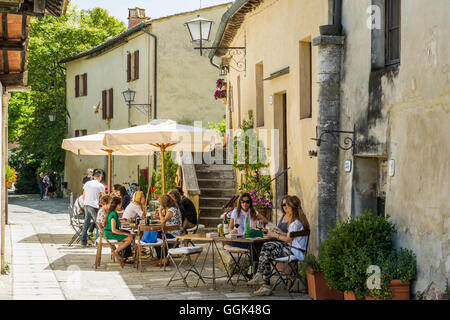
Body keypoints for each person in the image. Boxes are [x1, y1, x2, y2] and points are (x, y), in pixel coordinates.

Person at [248, 195, 310, 296]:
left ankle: (262, 280)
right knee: (267, 249)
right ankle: (263, 281)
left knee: (267, 248)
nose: (285, 208)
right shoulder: (299, 221)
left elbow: (288, 239)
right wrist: (281, 233)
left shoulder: (295, 223)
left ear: (291, 208)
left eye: (287, 206)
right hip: (294, 249)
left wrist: (274, 235)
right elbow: (291, 236)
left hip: (293, 251)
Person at [103, 197, 134, 266]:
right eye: (120, 205)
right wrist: (125, 234)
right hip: (110, 234)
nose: (121, 206)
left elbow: (112, 222)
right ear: (117, 205)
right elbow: (114, 230)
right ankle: (116, 251)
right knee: (130, 237)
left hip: (108, 232)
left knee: (128, 234)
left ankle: (124, 255)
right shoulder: (114, 214)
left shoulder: (111, 213)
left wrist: (120, 220)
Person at [153, 194, 182, 266]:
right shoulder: (172, 208)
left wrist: (160, 210)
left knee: (155, 239)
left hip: (174, 234)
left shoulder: (171, 210)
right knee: (157, 235)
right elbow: (165, 220)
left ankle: (163, 258)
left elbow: (163, 221)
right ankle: (165, 257)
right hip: (172, 232)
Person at [80, 171, 105, 247]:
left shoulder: (87, 183)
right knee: (98, 223)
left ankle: (83, 242)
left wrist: (86, 203)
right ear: (100, 177)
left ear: (94, 177)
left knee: (86, 223)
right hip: (94, 205)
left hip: (86, 204)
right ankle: (97, 242)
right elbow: (104, 198)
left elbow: (84, 195)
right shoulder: (100, 185)